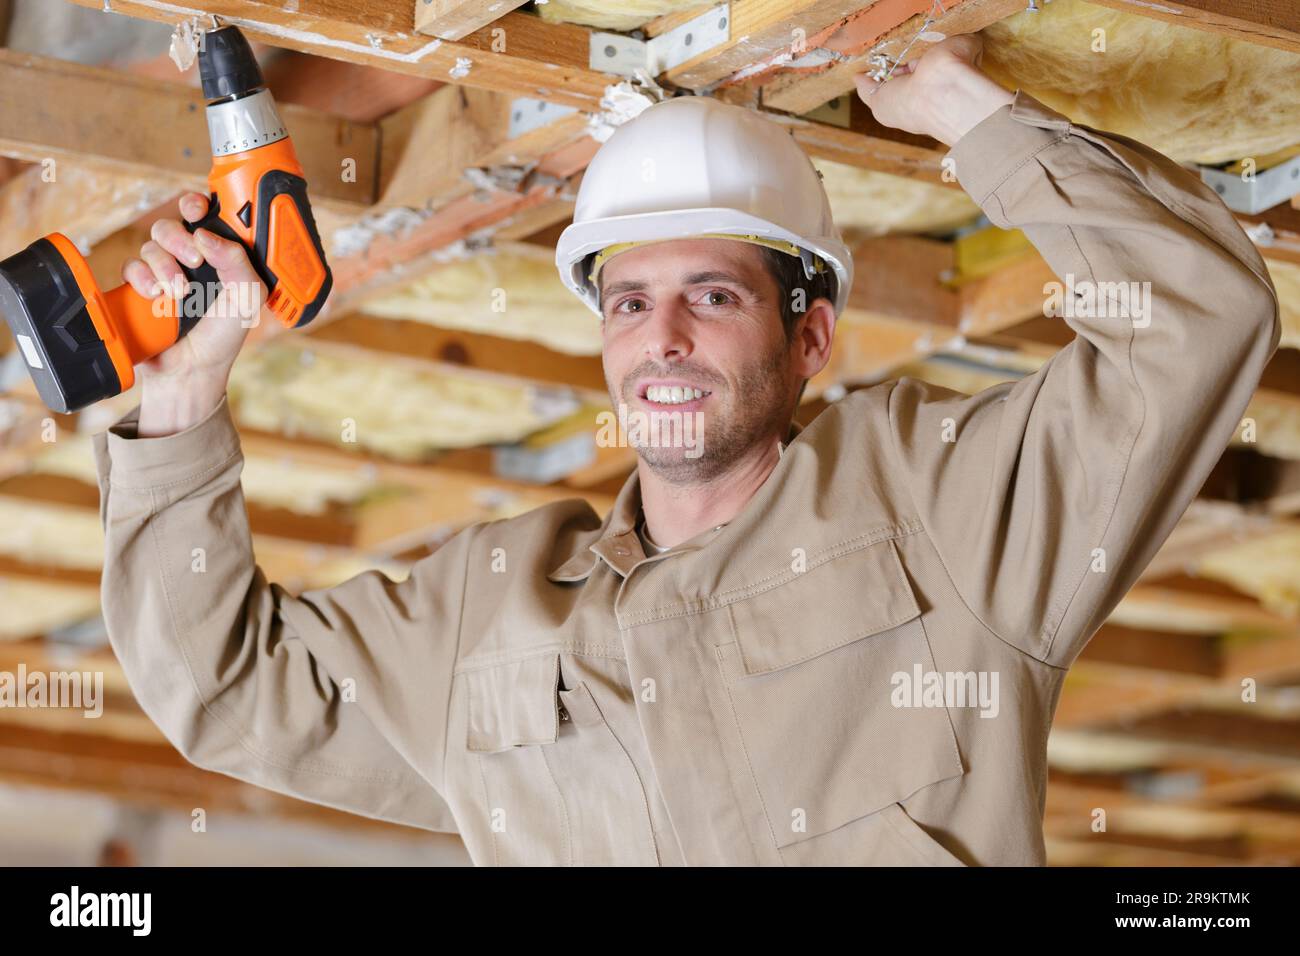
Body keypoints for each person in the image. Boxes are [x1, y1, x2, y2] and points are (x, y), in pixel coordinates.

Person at [96, 36, 1280, 865]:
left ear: (810, 333)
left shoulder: (937, 506)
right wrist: (182, 402)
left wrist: (973, 121)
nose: (658, 339)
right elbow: (229, 687)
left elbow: (1193, 321)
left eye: (711, 295)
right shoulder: (485, 615)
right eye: (626, 302)